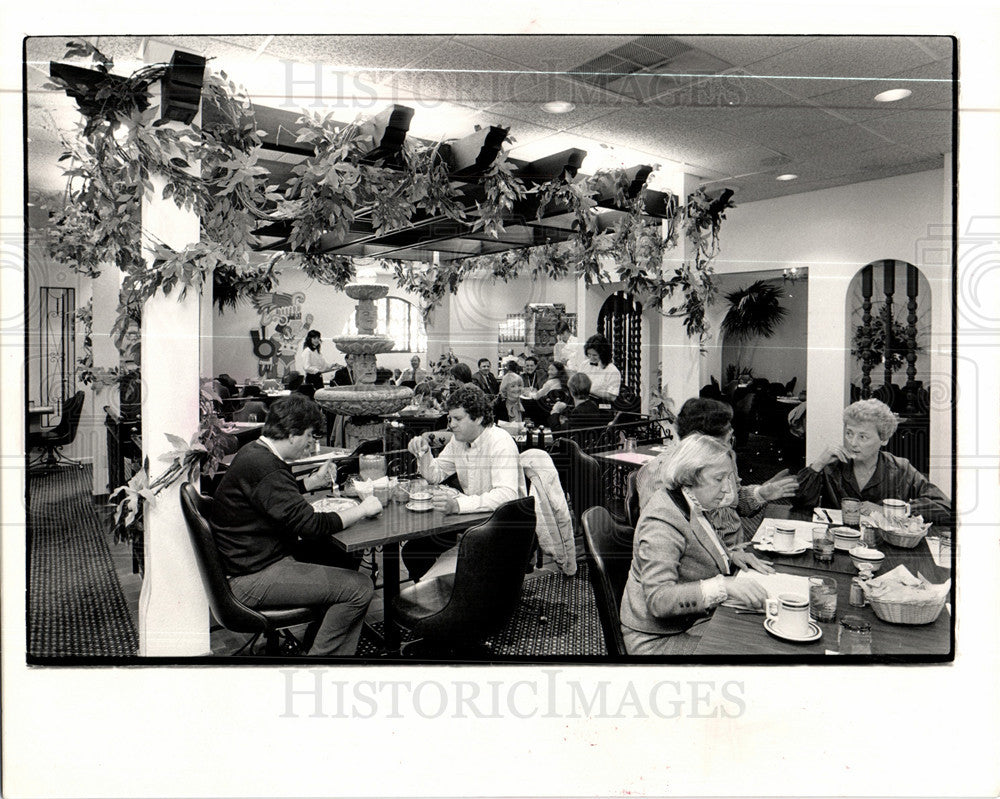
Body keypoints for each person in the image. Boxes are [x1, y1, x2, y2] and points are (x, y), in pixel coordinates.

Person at [209, 394, 383, 656]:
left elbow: (271, 497)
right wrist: (362, 509)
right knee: (359, 588)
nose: (312, 445)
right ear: (292, 433)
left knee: (343, 556)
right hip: (251, 579)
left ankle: (316, 640)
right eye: (310, 436)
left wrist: (310, 483)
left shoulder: (254, 453)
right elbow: (311, 525)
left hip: (247, 563)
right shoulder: (267, 467)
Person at [619, 434, 773, 656]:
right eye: (719, 479)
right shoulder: (662, 521)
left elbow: (694, 550)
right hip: (658, 639)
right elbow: (659, 600)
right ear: (690, 475)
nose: (727, 489)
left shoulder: (690, 500)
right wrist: (724, 586)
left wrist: (729, 556)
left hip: (689, 622)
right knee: (755, 649)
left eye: (728, 478)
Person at [635, 398, 799, 547]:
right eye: (727, 433)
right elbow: (663, 538)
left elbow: (733, 501)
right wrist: (726, 556)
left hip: (735, 551)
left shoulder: (722, 458)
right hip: (704, 563)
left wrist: (761, 493)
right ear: (702, 441)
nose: (732, 434)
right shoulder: (661, 473)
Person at [403, 385, 526, 581]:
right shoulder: (460, 441)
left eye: (458, 419)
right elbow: (436, 475)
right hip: (474, 522)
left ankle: (453, 596)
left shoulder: (500, 442)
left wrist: (458, 505)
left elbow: (507, 495)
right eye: (450, 418)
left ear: (477, 418)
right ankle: (441, 598)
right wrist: (424, 453)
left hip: (502, 528)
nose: (451, 425)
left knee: (418, 552)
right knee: (414, 551)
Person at [793, 398, 951, 523]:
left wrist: (891, 510)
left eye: (862, 436)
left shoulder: (901, 469)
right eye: (849, 433)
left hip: (884, 549)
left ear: (884, 439)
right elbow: (798, 505)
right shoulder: (832, 466)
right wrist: (818, 464)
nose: (852, 443)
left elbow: (945, 508)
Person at [579, 334, 621, 403]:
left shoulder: (612, 371)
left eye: (594, 355)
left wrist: (590, 391)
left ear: (603, 354)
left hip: (602, 406)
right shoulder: (584, 364)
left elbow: (612, 397)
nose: (591, 358)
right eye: (589, 354)